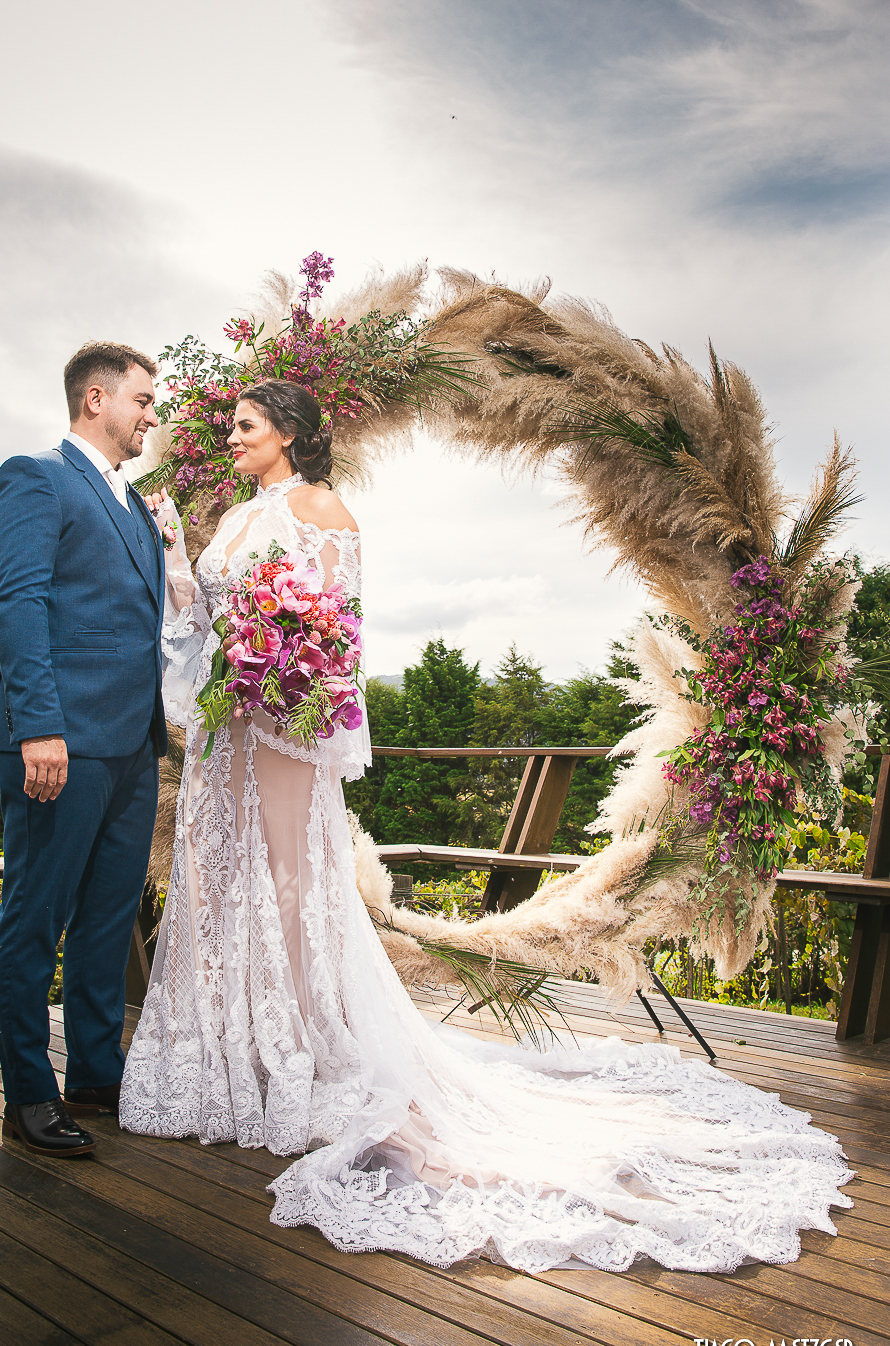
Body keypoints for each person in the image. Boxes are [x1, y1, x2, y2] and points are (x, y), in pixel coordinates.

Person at [121, 380, 851, 1275]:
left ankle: (301, 1052)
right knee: (224, 882)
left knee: (289, 885)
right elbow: (198, 620)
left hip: (280, 723)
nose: (229, 438)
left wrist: (283, 676)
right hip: (221, 735)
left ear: (290, 434)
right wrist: (170, 556)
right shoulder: (233, 518)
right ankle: (230, 1056)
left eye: (244, 426)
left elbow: (338, 635)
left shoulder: (327, 512)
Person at [0, 342, 168, 1158]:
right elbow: (18, 603)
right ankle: (27, 1094)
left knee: (103, 924)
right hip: (59, 741)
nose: (152, 414)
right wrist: (39, 727)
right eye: (142, 398)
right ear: (95, 399)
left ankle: (97, 1075)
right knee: (33, 922)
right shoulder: (34, 476)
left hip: (133, 744)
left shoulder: (134, 506)